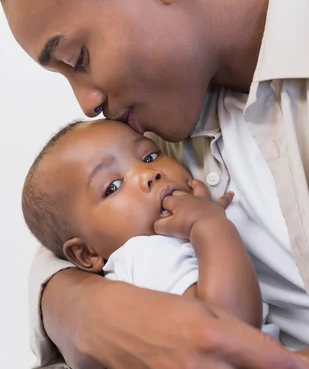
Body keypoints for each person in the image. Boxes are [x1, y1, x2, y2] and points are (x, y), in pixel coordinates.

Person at [0, 0, 309, 368]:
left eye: (79, 59)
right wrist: (72, 306)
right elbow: (72, 221)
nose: (87, 104)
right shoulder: (158, 119)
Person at [22, 119, 263, 330]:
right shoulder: (145, 255)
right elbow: (232, 330)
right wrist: (210, 224)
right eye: (113, 187)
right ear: (86, 253)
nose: (149, 173)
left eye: (149, 156)